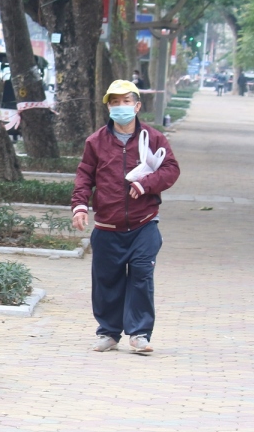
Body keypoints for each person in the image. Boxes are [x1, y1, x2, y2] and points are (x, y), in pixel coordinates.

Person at [71, 79, 181, 354]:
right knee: (107, 280)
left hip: (144, 224)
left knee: (142, 276)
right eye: (115, 102)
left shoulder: (154, 138)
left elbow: (171, 169)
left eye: (126, 101)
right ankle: (108, 332)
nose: (121, 107)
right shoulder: (95, 142)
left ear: (137, 106)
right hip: (107, 225)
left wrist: (147, 185)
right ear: (108, 107)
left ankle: (140, 333)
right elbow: (85, 175)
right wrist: (80, 206)